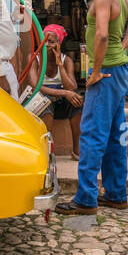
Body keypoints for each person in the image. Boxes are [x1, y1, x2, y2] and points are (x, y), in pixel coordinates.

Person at [57, 0, 128, 213]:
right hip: (119, 70)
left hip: (105, 73)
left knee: (92, 134)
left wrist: (94, 72)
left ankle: (85, 199)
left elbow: (103, 35)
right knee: (115, 134)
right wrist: (123, 47)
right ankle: (116, 194)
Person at [39, 24, 83, 157]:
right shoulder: (35, 59)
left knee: (76, 101)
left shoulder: (66, 60)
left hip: (61, 103)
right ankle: (45, 152)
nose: (46, 44)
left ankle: (77, 150)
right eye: (44, 40)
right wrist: (64, 93)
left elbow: (72, 87)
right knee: (45, 103)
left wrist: (60, 65)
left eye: (51, 42)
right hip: (44, 102)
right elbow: (36, 86)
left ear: (59, 44)